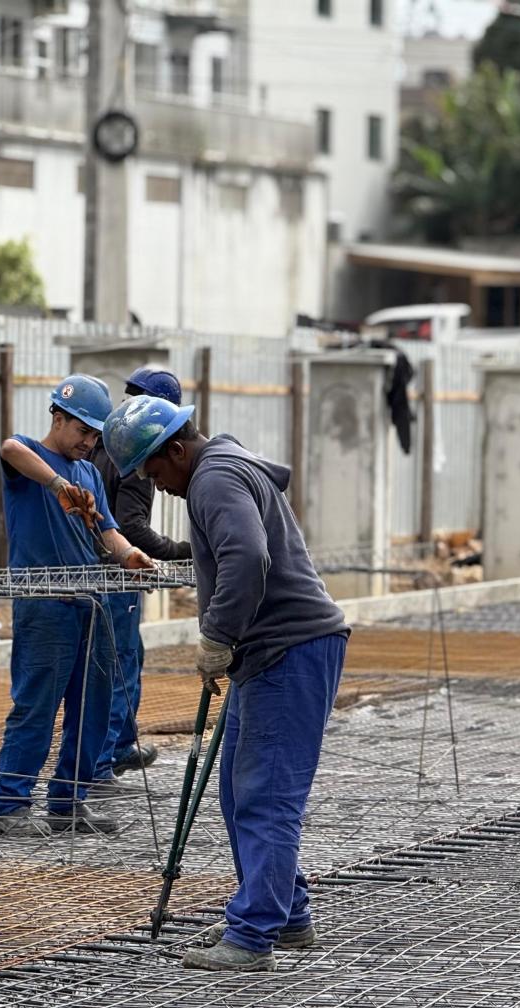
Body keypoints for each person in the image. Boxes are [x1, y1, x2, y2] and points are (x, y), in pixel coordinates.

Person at [101, 395, 349, 972]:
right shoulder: (223, 466)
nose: (155, 485)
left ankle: (253, 935)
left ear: (178, 450)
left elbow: (246, 555)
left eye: (155, 470)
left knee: (266, 796)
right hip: (270, 653)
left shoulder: (213, 478)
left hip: (289, 650)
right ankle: (284, 914)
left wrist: (217, 634)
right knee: (241, 792)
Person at [0, 374, 154, 838]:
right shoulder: (30, 459)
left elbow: (107, 531)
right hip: (45, 607)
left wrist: (129, 556)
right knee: (36, 704)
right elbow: (9, 449)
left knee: (93, 708)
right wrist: (58, 484)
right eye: (82, 431)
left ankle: (68, 803)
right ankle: (11, 805)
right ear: (57, 418)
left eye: (95, 435)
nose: (88, 442)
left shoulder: (90, 475)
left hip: (92, 603)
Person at [90, 365, 193, 784]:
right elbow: (131, 527)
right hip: (118, 577)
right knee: (121, 664)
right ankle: (108, 757)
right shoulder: (136, 453)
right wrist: (182, 552)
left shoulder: (100, 442)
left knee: (106, 667)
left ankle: (109, 751)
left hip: (89, 573)